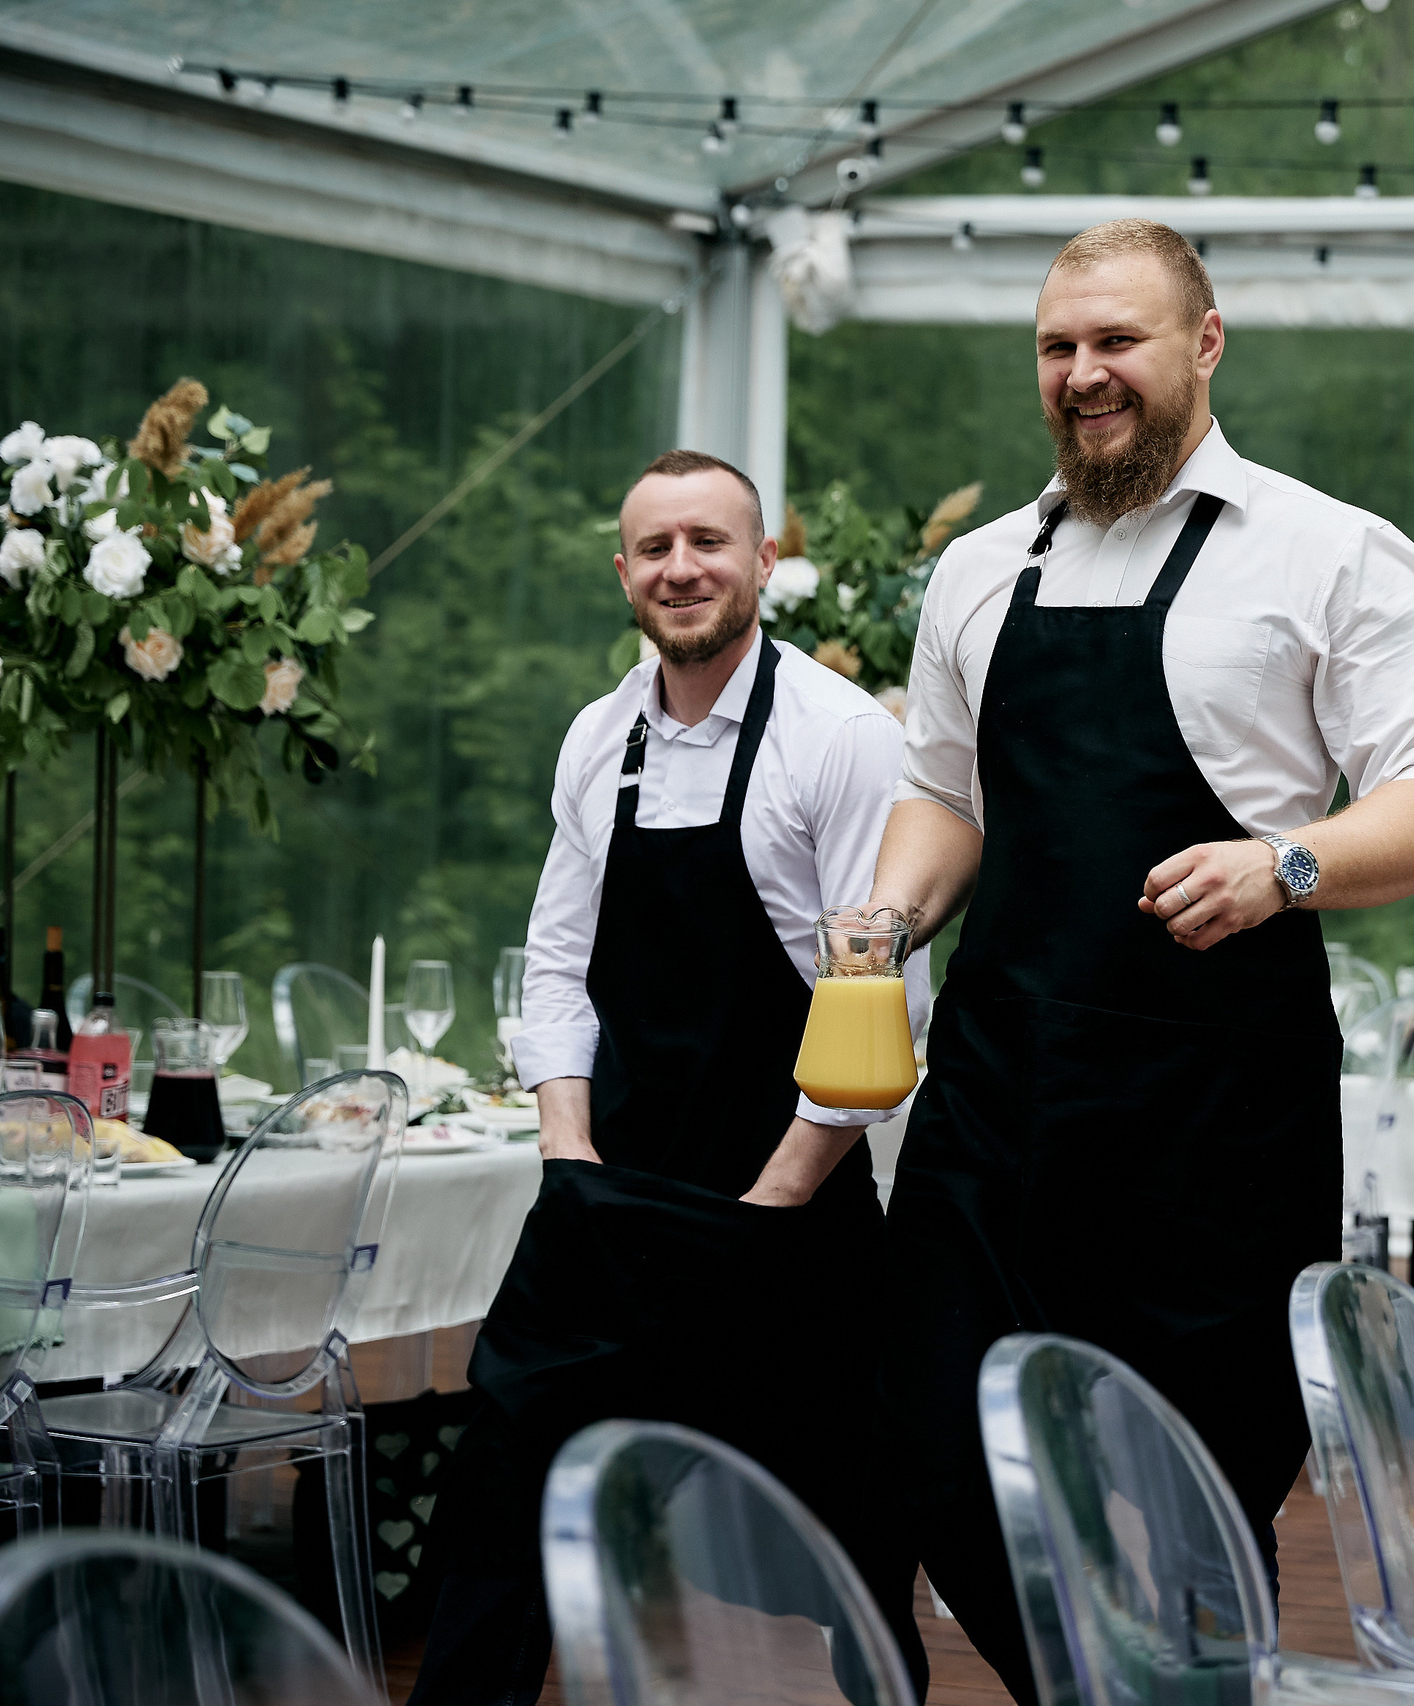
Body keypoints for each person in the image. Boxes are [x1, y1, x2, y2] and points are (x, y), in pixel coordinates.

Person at [870, 219, 1414, 1700]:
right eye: (1057, 346)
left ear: (1205, 343)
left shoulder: (1328, 549)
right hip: (996, 1106)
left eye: (1118, 342)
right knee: (932, 1458)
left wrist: (1290, 864)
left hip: (1213, 1121)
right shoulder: (976, 568)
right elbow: (946, 797)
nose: (1085, 375)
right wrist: (886, 924)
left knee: (1191, 1496)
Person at [410, 449, 926, 1704]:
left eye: (708, 540)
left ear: (761, 563)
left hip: (784, 1214)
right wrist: (569, 1158)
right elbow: (555, 966)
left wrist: (776, 1197)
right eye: (654, 547)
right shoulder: (599, 739)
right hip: (611, 1205)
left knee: (845, 1549)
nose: (680, 567)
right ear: (625, 570)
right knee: (494, 1512)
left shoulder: (842, 737)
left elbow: (878, 1003)